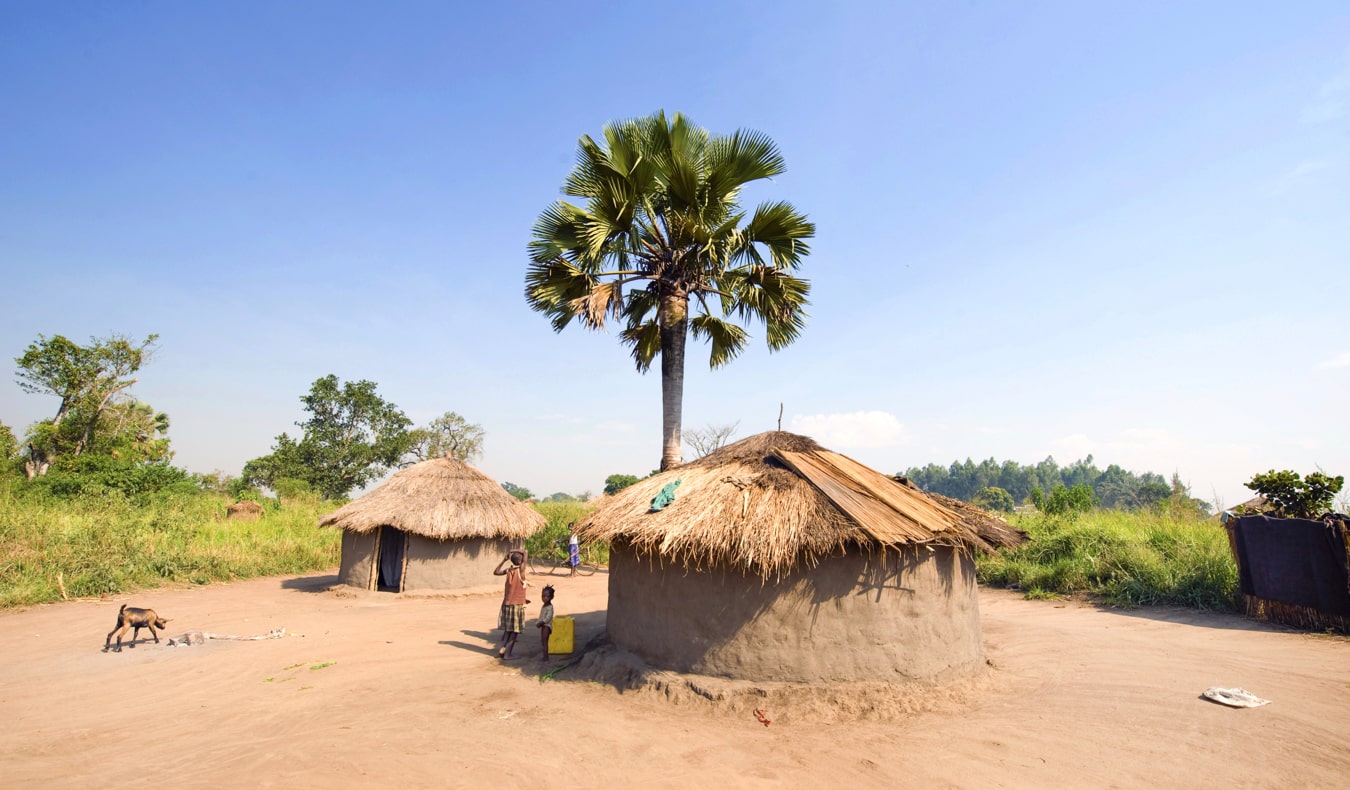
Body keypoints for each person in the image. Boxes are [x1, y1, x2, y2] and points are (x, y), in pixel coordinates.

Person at [493, 550, 528, 660]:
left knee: (508, 630)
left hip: (507, 603)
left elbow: (496, 571)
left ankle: (503, 649)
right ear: (520, 561)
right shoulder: (520, 571)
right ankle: (508, 654)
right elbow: (526, 552)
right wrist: (513, 551)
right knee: (515, 631)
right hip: (516, 605)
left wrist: (504, 559)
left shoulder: (509, 570)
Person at [536, 585, 555, 665]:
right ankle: (544, 657)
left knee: (545, 643)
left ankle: (546, 659)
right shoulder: (544, 606)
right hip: (544, 626)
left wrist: (541, 623)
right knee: (543, 642)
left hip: (547, 626)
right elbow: (541, 616)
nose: (544, 598)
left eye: (547, 596)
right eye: (543, 596)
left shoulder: (550, 607)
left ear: (551, 597)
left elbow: (548, 618)